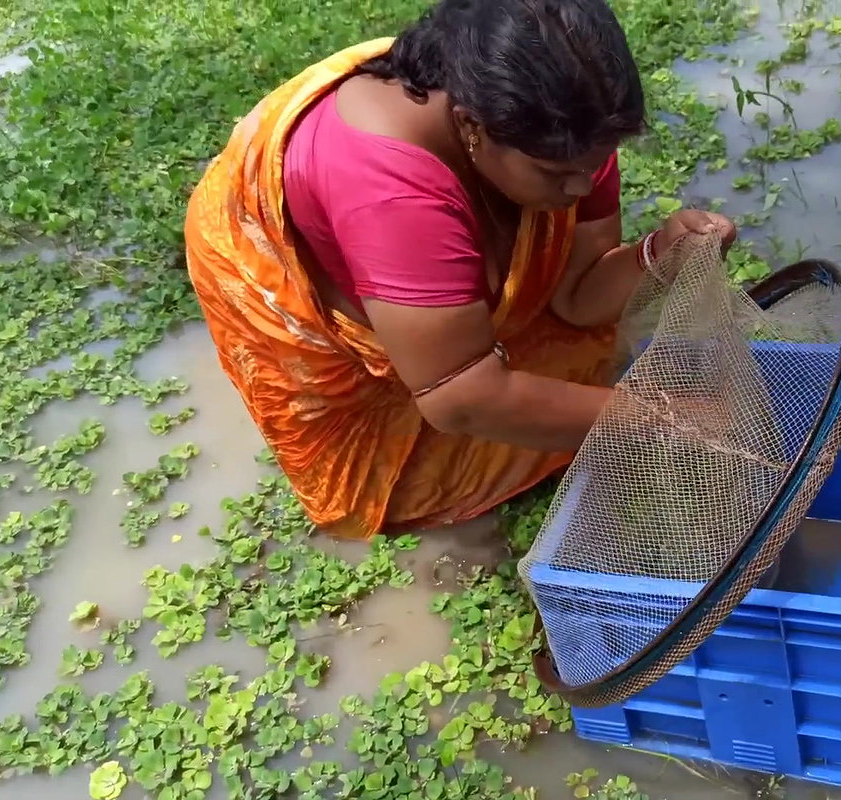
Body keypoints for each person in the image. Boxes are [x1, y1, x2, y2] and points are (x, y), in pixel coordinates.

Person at [183, 0, 738, 541]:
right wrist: (664, 421)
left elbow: (577, 297)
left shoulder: (567, 126)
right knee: (412, 475)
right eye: (555, 173)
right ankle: (420, 357)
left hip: (435, 261)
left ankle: (454, 335)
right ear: (471, 124)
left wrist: (659, 254)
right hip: (355, 322)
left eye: (595, 165)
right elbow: (459, 398)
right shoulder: (390, 191)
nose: (581, 187)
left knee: (587, 362)